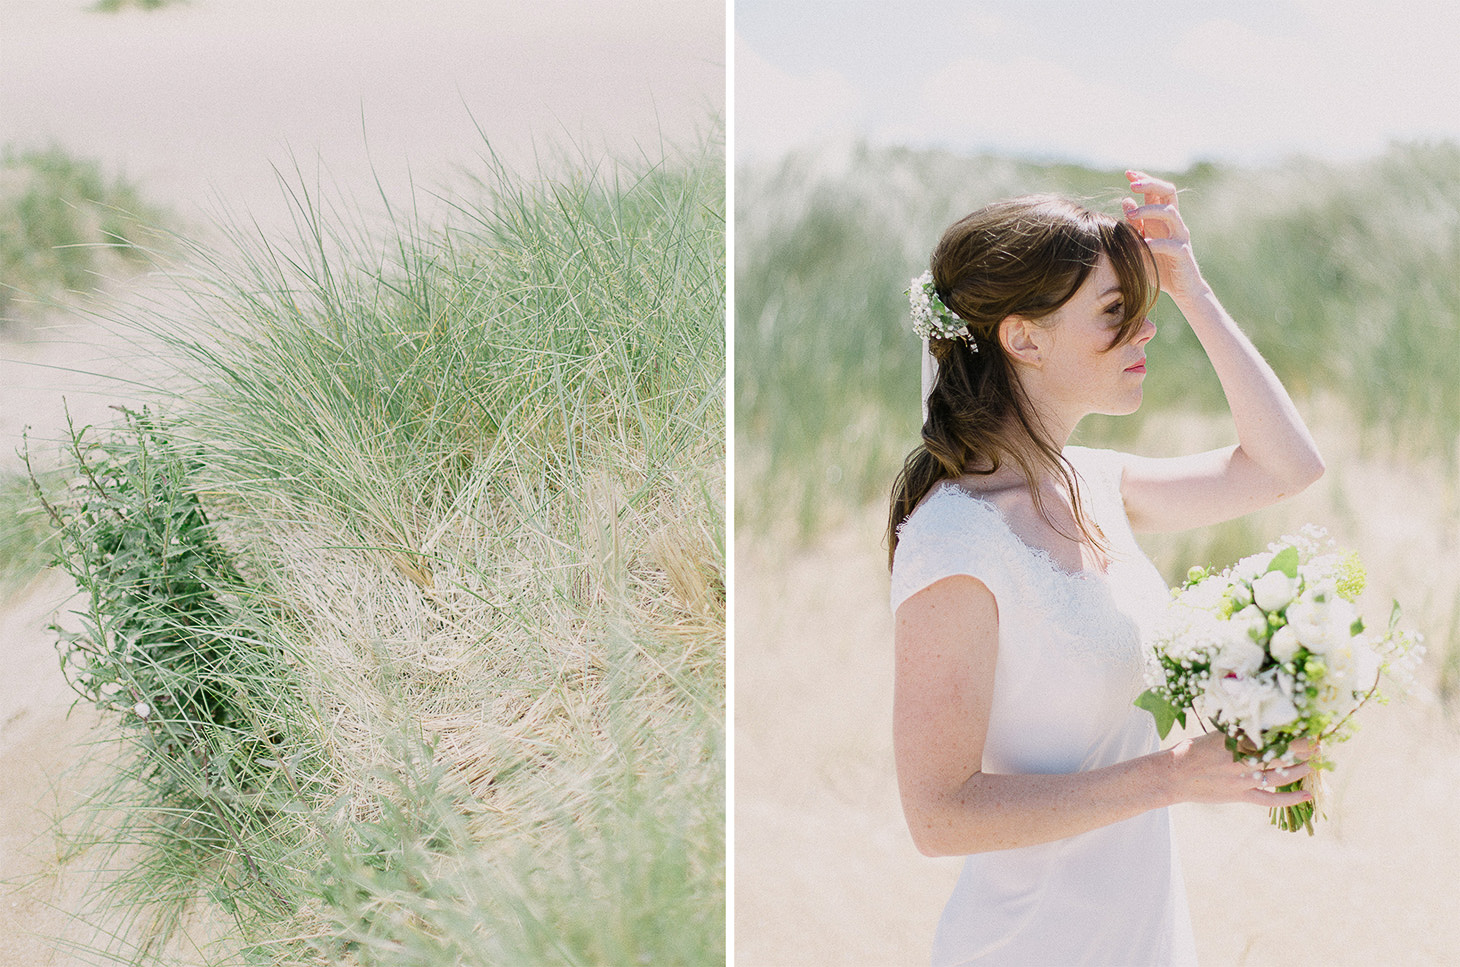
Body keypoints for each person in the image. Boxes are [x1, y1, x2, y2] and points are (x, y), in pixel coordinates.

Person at [886, 171, 1325, 966]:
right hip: (1026, 945)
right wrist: (1173, 776)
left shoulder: (1093, 482)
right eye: (1115, 312)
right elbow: (937, 815)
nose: (1144, 331)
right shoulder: (955, 541)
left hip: (1141, 934)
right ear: (1024, 338)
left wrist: (1191, 288)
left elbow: (1288, 465)